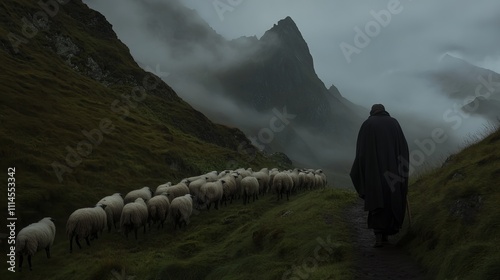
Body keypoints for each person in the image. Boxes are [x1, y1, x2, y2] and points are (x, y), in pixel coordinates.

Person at [350, 104, 410, 247]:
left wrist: (362, 173)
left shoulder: (367, 125)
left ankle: (378, 237)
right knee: (391, 201)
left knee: (377, 201)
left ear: (372, 112)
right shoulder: (394, 123)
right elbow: (403, 149)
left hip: (374, 174)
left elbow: (361, 153)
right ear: (384, 111)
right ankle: (387, 237)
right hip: (394, 173)